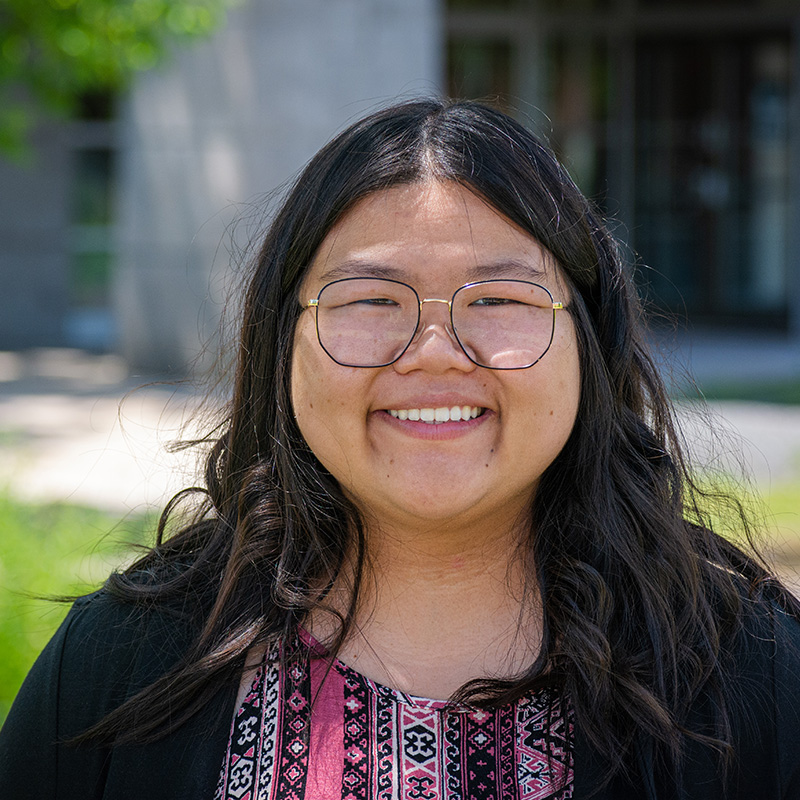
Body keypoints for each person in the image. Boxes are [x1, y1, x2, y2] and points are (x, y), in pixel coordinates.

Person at [1, 98, 799, 800]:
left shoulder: (758, 677)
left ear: (587, 342)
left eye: (499, 298)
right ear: (284, 341)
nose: (433, 352)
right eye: (371, 300)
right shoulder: (119, 666)